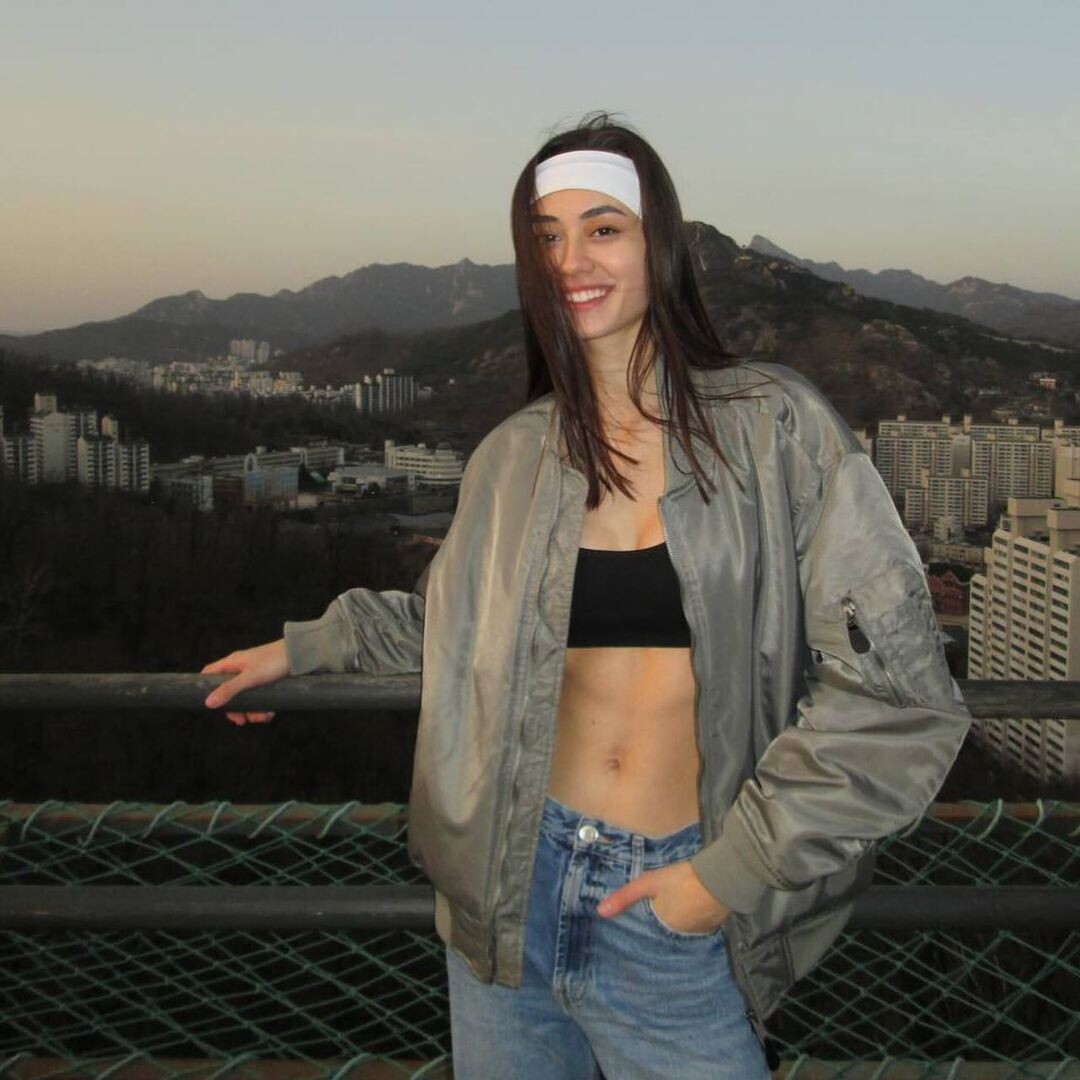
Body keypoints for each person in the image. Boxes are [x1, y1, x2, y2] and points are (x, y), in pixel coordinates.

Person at [203, 114, 971, 1078]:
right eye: (547, 237)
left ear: (660, 244)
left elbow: (900, 693)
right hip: (509, 893)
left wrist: (725, 874)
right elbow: (457, 622)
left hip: (674, 905)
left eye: (603, 227)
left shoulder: (776, 432)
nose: (572, 260)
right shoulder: (515, 456)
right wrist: (307, 648)